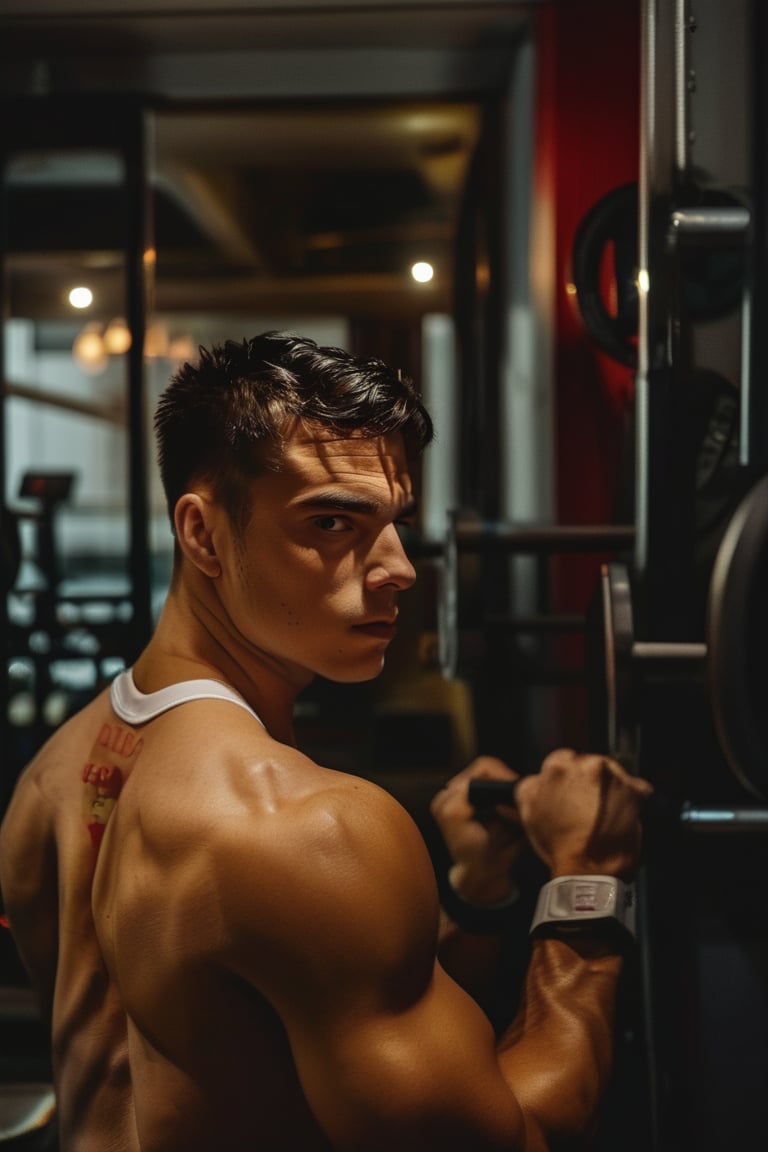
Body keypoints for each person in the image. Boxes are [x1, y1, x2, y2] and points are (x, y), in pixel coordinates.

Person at [0, 332, 652, 1152]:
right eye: (333, 521)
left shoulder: (54, 775)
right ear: (202, 534)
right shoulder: (306, 829)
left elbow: (265, 1019)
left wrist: (475, 891)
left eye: (394, 522)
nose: (399, 569)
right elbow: (514, 1140)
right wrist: (587, 878)